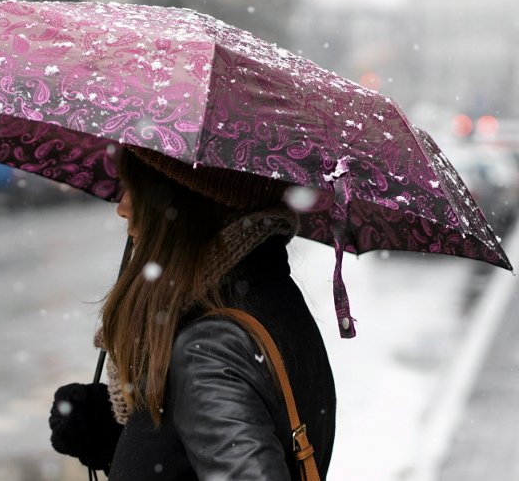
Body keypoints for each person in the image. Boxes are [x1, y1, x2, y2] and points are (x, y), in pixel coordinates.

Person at [49, 146, 336, 480]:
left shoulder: (211, 347)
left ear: (183, 205)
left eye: (137, 189)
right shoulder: (265, 292)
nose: (123, 208)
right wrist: (123, 440)